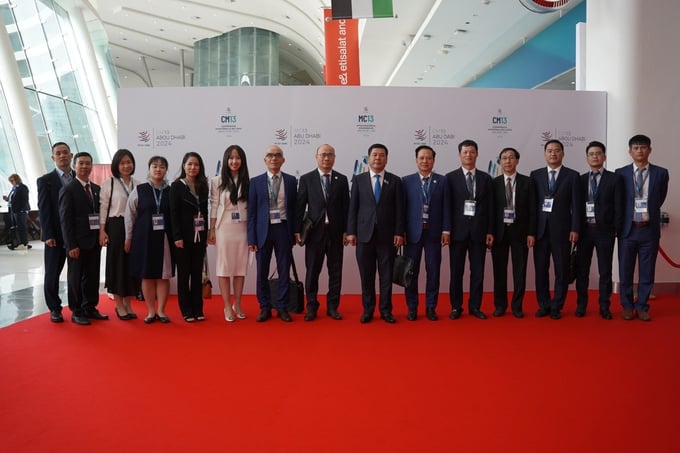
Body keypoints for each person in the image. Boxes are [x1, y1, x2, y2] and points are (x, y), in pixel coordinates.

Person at [347, 143, 405, 324]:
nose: (378, 158)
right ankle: (368, 310)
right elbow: (353, 208)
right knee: (367, 275)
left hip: (388, 237)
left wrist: (399, 232)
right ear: (368, 158)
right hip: (364, 235)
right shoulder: (358, 179)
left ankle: (386, 310)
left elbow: (399, 210)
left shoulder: (395, 181)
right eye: (374, 155)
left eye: (381, 155)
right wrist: (351, 232)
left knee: (386, 275)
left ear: (386, 159)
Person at [616, 134, 669, 321]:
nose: (639, 150)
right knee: (625, 271)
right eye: (636, 148)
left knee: (647, 271)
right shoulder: (620, 173)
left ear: (650, 150)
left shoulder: (661, 173)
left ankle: (643, 306)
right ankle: (628, 306)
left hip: (649, 230)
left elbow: (659, 198)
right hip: (627, 230)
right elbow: (619, 201)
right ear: (630, 151)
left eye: (643, 147)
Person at [294, 144, 349, 321]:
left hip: (335, 233)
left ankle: (333, 307)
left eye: (330, 155)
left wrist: (347, 231)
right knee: (312, 272)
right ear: (316, 157)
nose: (326, 158)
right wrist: (297, 231)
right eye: (323, 155)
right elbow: (300, 206)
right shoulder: (307, 179)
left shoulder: (342, 179)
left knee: (336, 272)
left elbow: (346, 208)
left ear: (334, 157)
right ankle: (311, 306)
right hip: (314, 234)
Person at [530, 139, 581, 320]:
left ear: (563, 153)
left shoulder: (573, 176)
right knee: (541, 270)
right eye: (549, 150)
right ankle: (544, 304)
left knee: (562, 270)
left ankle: (557, 305)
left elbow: (576, 205)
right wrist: (531, 231)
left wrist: (575, 228)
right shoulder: (535, 175)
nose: (553, 154)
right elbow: (532, 206)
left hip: (563, 231)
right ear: (545, 154)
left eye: (557, 150)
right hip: (540, 232)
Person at [247, 145, 297, 323]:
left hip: (283, 229)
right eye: (270, 155)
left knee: (284, 269)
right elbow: (251, 212)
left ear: (283, 160)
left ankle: (282, 307)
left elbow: (295, 210)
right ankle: (265, 307)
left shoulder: (291, 181)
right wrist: (251, 238)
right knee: (262, 271)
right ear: (265, 160)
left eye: (278, 156)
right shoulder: (255, 182)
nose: (274, 158)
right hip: (263, 231)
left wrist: (295, 232)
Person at [445, 139, 494, 320]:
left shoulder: (485, 178)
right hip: (457, 233)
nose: (468, 155)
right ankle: (456, 306)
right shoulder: (449, 178)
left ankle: (475, 306)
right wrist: (447, 231)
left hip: (479, 233)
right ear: (459, 155)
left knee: (478, 272)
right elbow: (447, 207)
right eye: (465, 152)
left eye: (472, 152)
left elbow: (490, 208)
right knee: (456, 272)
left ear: (477, 154)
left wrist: (489, 231)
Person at [575, 141, 624, 320]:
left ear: (604, 157)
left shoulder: (614, 179)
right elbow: (576, 207)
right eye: (591, 154)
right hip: (585, 231)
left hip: (605, 231)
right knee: (582, 270)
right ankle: (581, 304)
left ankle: (604, 306)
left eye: (598, 153)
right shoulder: (580, 180)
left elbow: (619, 206)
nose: (594, 156)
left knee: (605, 271)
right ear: (587, 157)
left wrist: (616, 229)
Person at [402, 145, 450, 321]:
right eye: (421, 158)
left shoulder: (442, 181)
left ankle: (431, 307)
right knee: (410, 272)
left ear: (433, 161)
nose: (425, 161)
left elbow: (447, 207)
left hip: (434, 234)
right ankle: (412, 307)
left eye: (428, 158)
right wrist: (401, 232)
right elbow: (402, 210)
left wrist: (446, 230)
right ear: (416, 160)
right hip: (412, 235)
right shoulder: (406, 181)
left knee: (433, 271)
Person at [59, 151, 107, 325]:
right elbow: (65, 220)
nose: (85, 167)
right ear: (74, 166)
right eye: (81, 164)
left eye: (88, 163)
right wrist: (71, 245)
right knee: (75, 277)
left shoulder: (95, 189)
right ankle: (76, 310)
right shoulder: (68, 189)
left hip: (94, 242)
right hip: (77, 244)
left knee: (92, 276)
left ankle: (90, 306)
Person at [125, 156, 174, 324]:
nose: (158, 169)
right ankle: (151, 311)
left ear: (166, 170)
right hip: (143, 238)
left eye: (162, 166)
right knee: (146, 275)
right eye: (155, 166)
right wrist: (128, 237)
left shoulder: (171, 191)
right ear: (149, 169)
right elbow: (130, 215)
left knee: (163, 275)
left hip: (165, 238)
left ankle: (161, 310)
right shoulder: (140, 189)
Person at [491, 147, 536, 318]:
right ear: (500, 162)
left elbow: (533, 210)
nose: (508, 161)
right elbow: (490, 212)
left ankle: (517, 306)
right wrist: (490, 232)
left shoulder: (527, 182)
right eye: (504, 158)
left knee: (520, 271)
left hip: (520, 233)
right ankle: (500, 305)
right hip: (499, 233)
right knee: (499, 271)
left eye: (511, 158)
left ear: (517, 161)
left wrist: (531, 233)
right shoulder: (493, 183)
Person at [208, 145, 250, 322]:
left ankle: (238, 303)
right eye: (231, 158)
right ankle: (226, 305)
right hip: (223, 227)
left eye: (238, 158)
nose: (234, 161)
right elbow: (214, 206)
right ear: (226, 160)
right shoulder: (217, 181)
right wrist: (211, 229)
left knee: (240, 268)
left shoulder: (248, 181)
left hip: (242, 228)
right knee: (224, 268)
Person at [99, 149, 141, 320]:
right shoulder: (109, 183)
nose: (126, 165)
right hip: (116, 226)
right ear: (116, 165)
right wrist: (102, 230)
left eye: (129, 162)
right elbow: (103, 209)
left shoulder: (138, 184)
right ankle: (119, 305)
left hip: (135, 227)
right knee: (117, 266)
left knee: (132, 266)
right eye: (122, 163)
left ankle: (129, 303)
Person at [37, 142, 75, 323]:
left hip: (76, 236)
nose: (62, 156)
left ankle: (78, 305)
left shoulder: (78, 177)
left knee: (76, 273)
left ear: (71, 155)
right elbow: (44, 210)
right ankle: (54, 308)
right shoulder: (45, 180)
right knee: (52, 272)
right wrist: (48, 235)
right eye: (58, 153)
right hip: (56, 236)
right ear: (53, 157)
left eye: (65, 153)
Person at [170, 152, 209, 322]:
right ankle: (186, 310)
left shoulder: (202, 186)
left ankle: (198, 308)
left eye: (196, 165)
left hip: (199, 237)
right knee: (184, 275)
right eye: (190, 164)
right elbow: (173, 213)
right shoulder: (177, 186)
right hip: (183, 239)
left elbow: (205, 212)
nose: (193, 167)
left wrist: (206, 233)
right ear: (184, 166)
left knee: (197, 273)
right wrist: (177, 236)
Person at [4, 174, 31, 250]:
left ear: (17, 179)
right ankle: (18, 242)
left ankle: (24, 243)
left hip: (20, 210)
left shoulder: (23, 187)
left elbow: (25, 199)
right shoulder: (14, 188)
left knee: (22, 226)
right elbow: (13, 199)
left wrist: (23, 209)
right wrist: (7, 199)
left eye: (13, 180)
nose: (12, 182)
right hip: (13, 210)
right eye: (11, 181)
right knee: (16, 227)